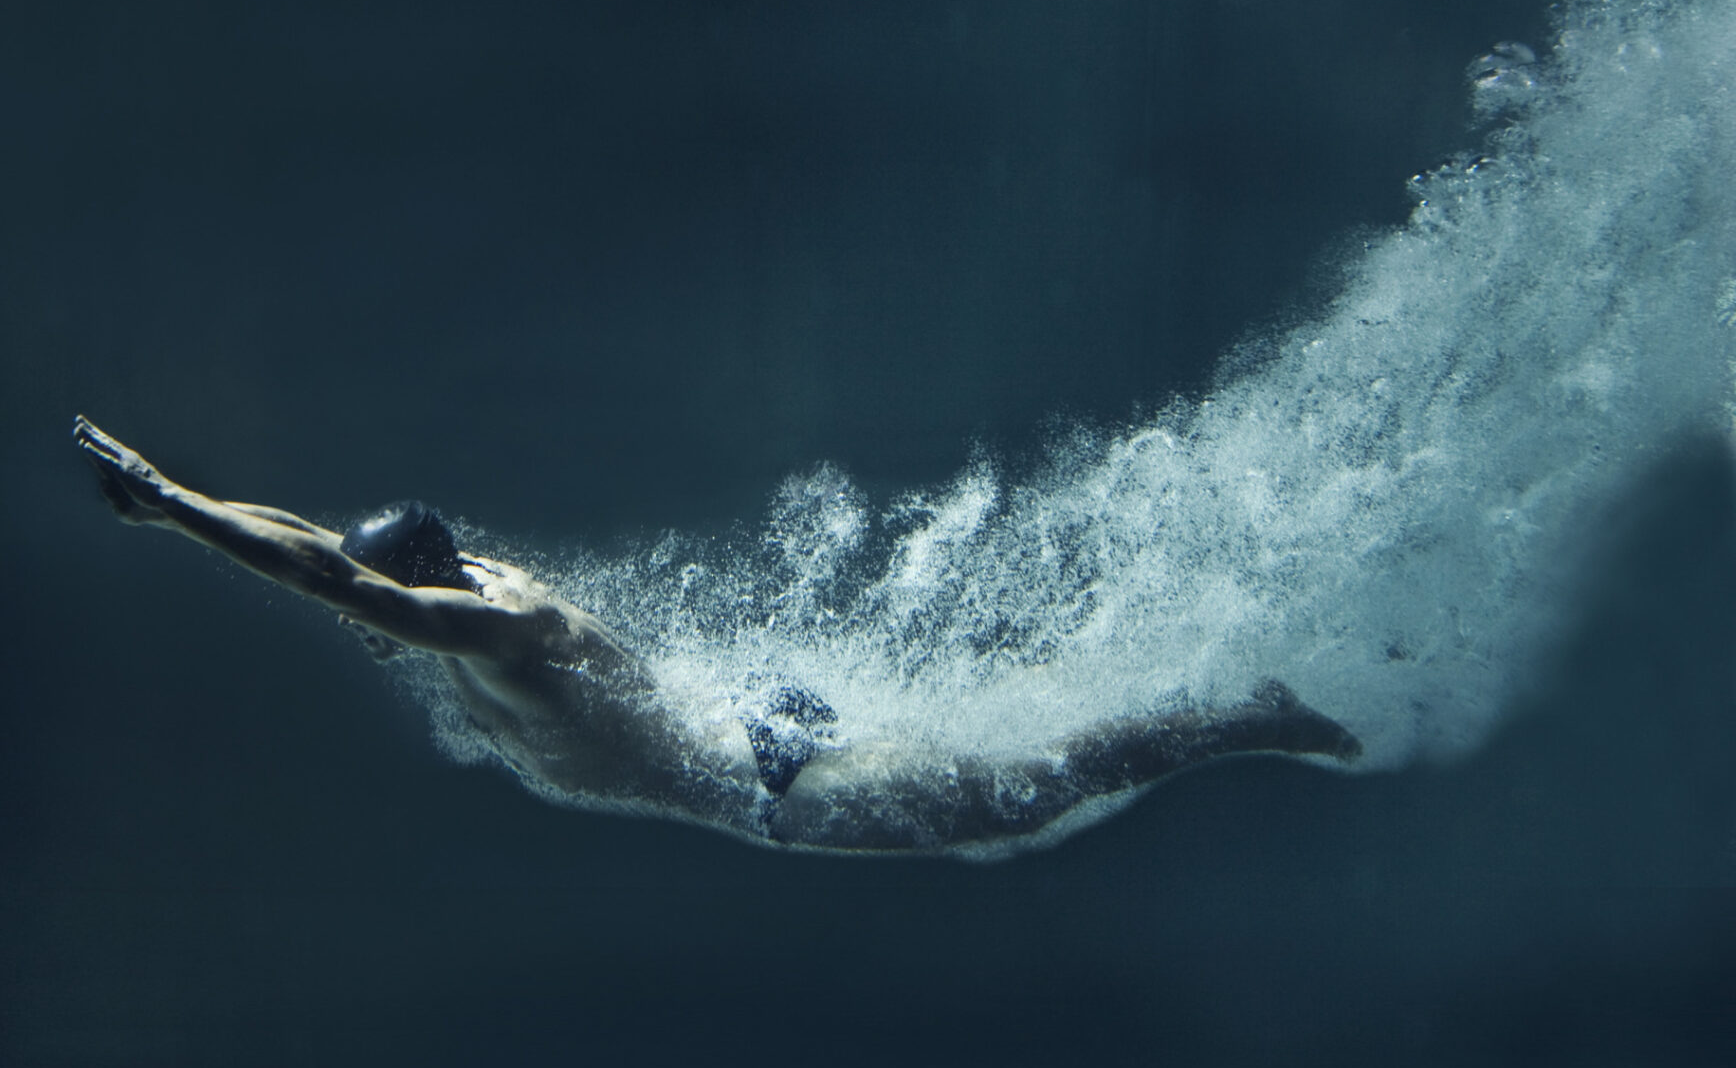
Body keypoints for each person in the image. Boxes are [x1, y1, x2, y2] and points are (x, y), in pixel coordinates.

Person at [74, 416, 1362, 857]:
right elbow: (321, 548)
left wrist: (178, 507)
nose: (361, 627)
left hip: (770, 779)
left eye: (375, 608)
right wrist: (179, 502)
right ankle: (1218, 703)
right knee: (997, 767)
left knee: (1024, 798)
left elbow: (333, 583)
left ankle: (1253, 712)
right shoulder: (463, 579)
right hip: (746, 716)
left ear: (412, 594)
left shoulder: (494, 629)